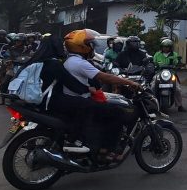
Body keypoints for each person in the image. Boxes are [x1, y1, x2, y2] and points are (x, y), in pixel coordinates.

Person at [60, 29, 141, 161]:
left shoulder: (70, 60)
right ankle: (107, 149)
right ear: (82, 46)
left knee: (107, 106)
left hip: (74, 99)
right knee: (117, 113)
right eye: (90, 45)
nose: (92, 48)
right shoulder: (80, 63)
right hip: (80, 102)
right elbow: (105, 77)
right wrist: (130, 83)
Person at [153, 38, 185, 112]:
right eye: (164, 46)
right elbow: (154, 63)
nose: (166, 48)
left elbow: (177, 63)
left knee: (177, 89)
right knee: (153, 86)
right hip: (159, 73)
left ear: (170, 47)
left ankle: (180, 106)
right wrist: (152, 65)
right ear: (161, 47)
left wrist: (179, 64)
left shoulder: (174, 54)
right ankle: (153, 104)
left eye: (167, 47)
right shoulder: (157, 54)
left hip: (171, 73)